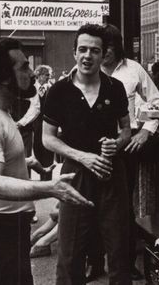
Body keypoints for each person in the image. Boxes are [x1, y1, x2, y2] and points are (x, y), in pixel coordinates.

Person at [0, 36, 94, 285]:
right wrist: (50, 187)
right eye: (23, 67)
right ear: (2, 76)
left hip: (3, 230)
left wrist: (25, 163)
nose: (32, 73)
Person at [43, 23, 132, 285]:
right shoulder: (58, 91)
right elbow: (47, 139)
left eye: (95, 50)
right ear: (74, 53)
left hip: (110, 171)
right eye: (82, 49)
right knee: (70, 252)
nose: (87, 56)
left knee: (119, 250)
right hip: (75, 174)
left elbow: (126, 129)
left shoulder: (115, 87)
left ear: (103, 54)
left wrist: (117, 144)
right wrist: (81, 156)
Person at [100, 23, 159, 281]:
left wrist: (145, 131)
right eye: (99, 46)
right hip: (93, 147)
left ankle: (125, 264)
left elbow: (157, 102)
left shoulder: (133, 69)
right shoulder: (83, 70)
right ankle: (94, 261)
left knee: (122, 208)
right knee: (92, 204)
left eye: (109, 47)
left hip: (125, 146)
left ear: (117, 47)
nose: (103, 52)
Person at [32, 64, 55, 180]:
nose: (48, 78)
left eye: (49, 76)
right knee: (37, 150)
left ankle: (47, 179)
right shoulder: (31, 89)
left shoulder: (52, 89)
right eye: (46, 75)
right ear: (39, 75)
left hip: (47, 125)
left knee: (48, 151)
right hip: (33, 126)